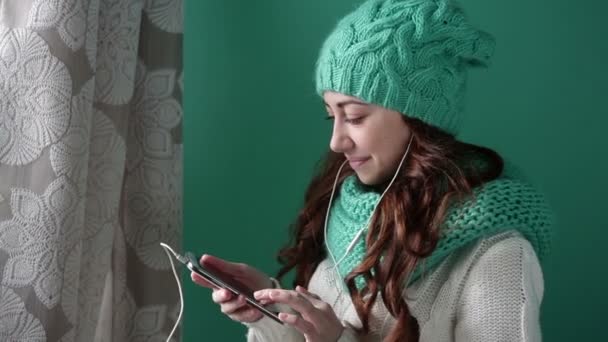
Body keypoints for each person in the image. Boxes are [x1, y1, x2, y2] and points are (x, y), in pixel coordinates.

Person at [191, 0, 554, 341]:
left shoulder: (497, 254)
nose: (336, 141)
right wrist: (274, 312)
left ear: (418, 118)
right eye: (331, 116)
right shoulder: (349, 218)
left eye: (354, 117)